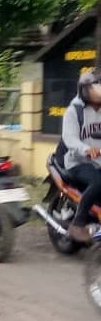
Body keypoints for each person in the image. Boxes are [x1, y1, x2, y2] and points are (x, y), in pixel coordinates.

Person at [58, 70, 101, 242]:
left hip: (98, 161)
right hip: (77, 162)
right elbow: (70, 139)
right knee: (98, 182)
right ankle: (78, 224)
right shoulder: (74, 111)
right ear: (85, 90)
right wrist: (86, 149)